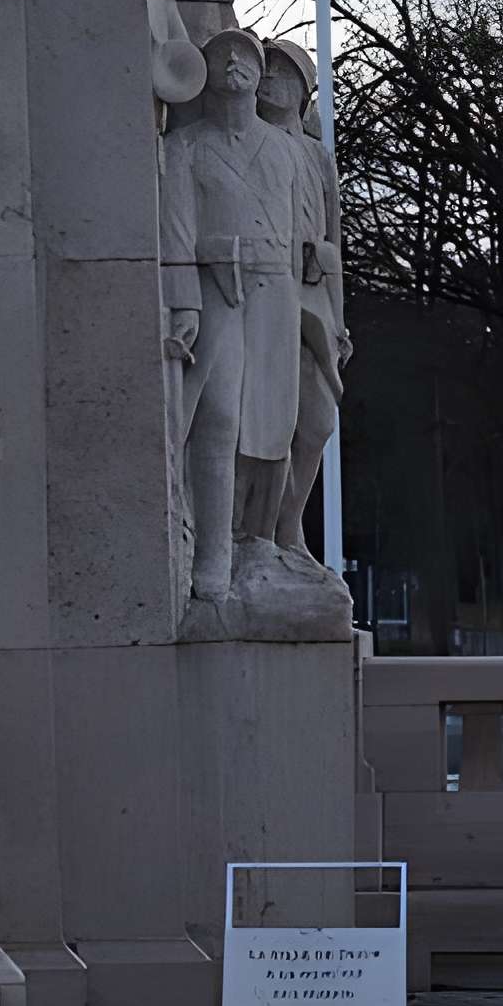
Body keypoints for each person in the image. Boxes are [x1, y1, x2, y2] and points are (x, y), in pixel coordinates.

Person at [161, 29, 304, 600]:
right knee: (218, 419)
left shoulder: (288, 150)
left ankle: (260, 537)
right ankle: (212, 553)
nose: (234, 65)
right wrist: (183, 304)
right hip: (217, 287)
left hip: (275, 293)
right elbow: (176, 232)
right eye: (221, 57)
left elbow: (302, 235)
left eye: (243, 57)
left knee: (271, 426)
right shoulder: (186, 147)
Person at [257, 38, 351, 553]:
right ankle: (271, 531)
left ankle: (288, 521)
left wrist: (339, 321)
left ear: (302, 88)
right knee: (272, 418)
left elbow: (334, 237)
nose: (269, 81)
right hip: (264, 292)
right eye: (265, 72)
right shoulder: (253, 142)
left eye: (282, 73)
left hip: (313, 293)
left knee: (317, 422)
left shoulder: (317, 156)